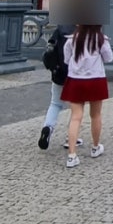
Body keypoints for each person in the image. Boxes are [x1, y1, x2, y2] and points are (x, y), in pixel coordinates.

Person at [61, 23, 113, 169]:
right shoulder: (101, 39)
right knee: (95, 115)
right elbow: (109, 58)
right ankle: (95, 147)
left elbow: (66, 59)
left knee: (75, 117)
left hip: (75, 79)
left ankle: (72, 155)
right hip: (96, 79)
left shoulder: (72, 39)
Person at [38, 22, 80, 151]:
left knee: (55, 104)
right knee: (76, 108)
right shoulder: (83, 31)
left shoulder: (60, 29)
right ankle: (70, 138)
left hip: (58, 73)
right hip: (76, 75)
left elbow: (51, 49)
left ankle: (48, 127)